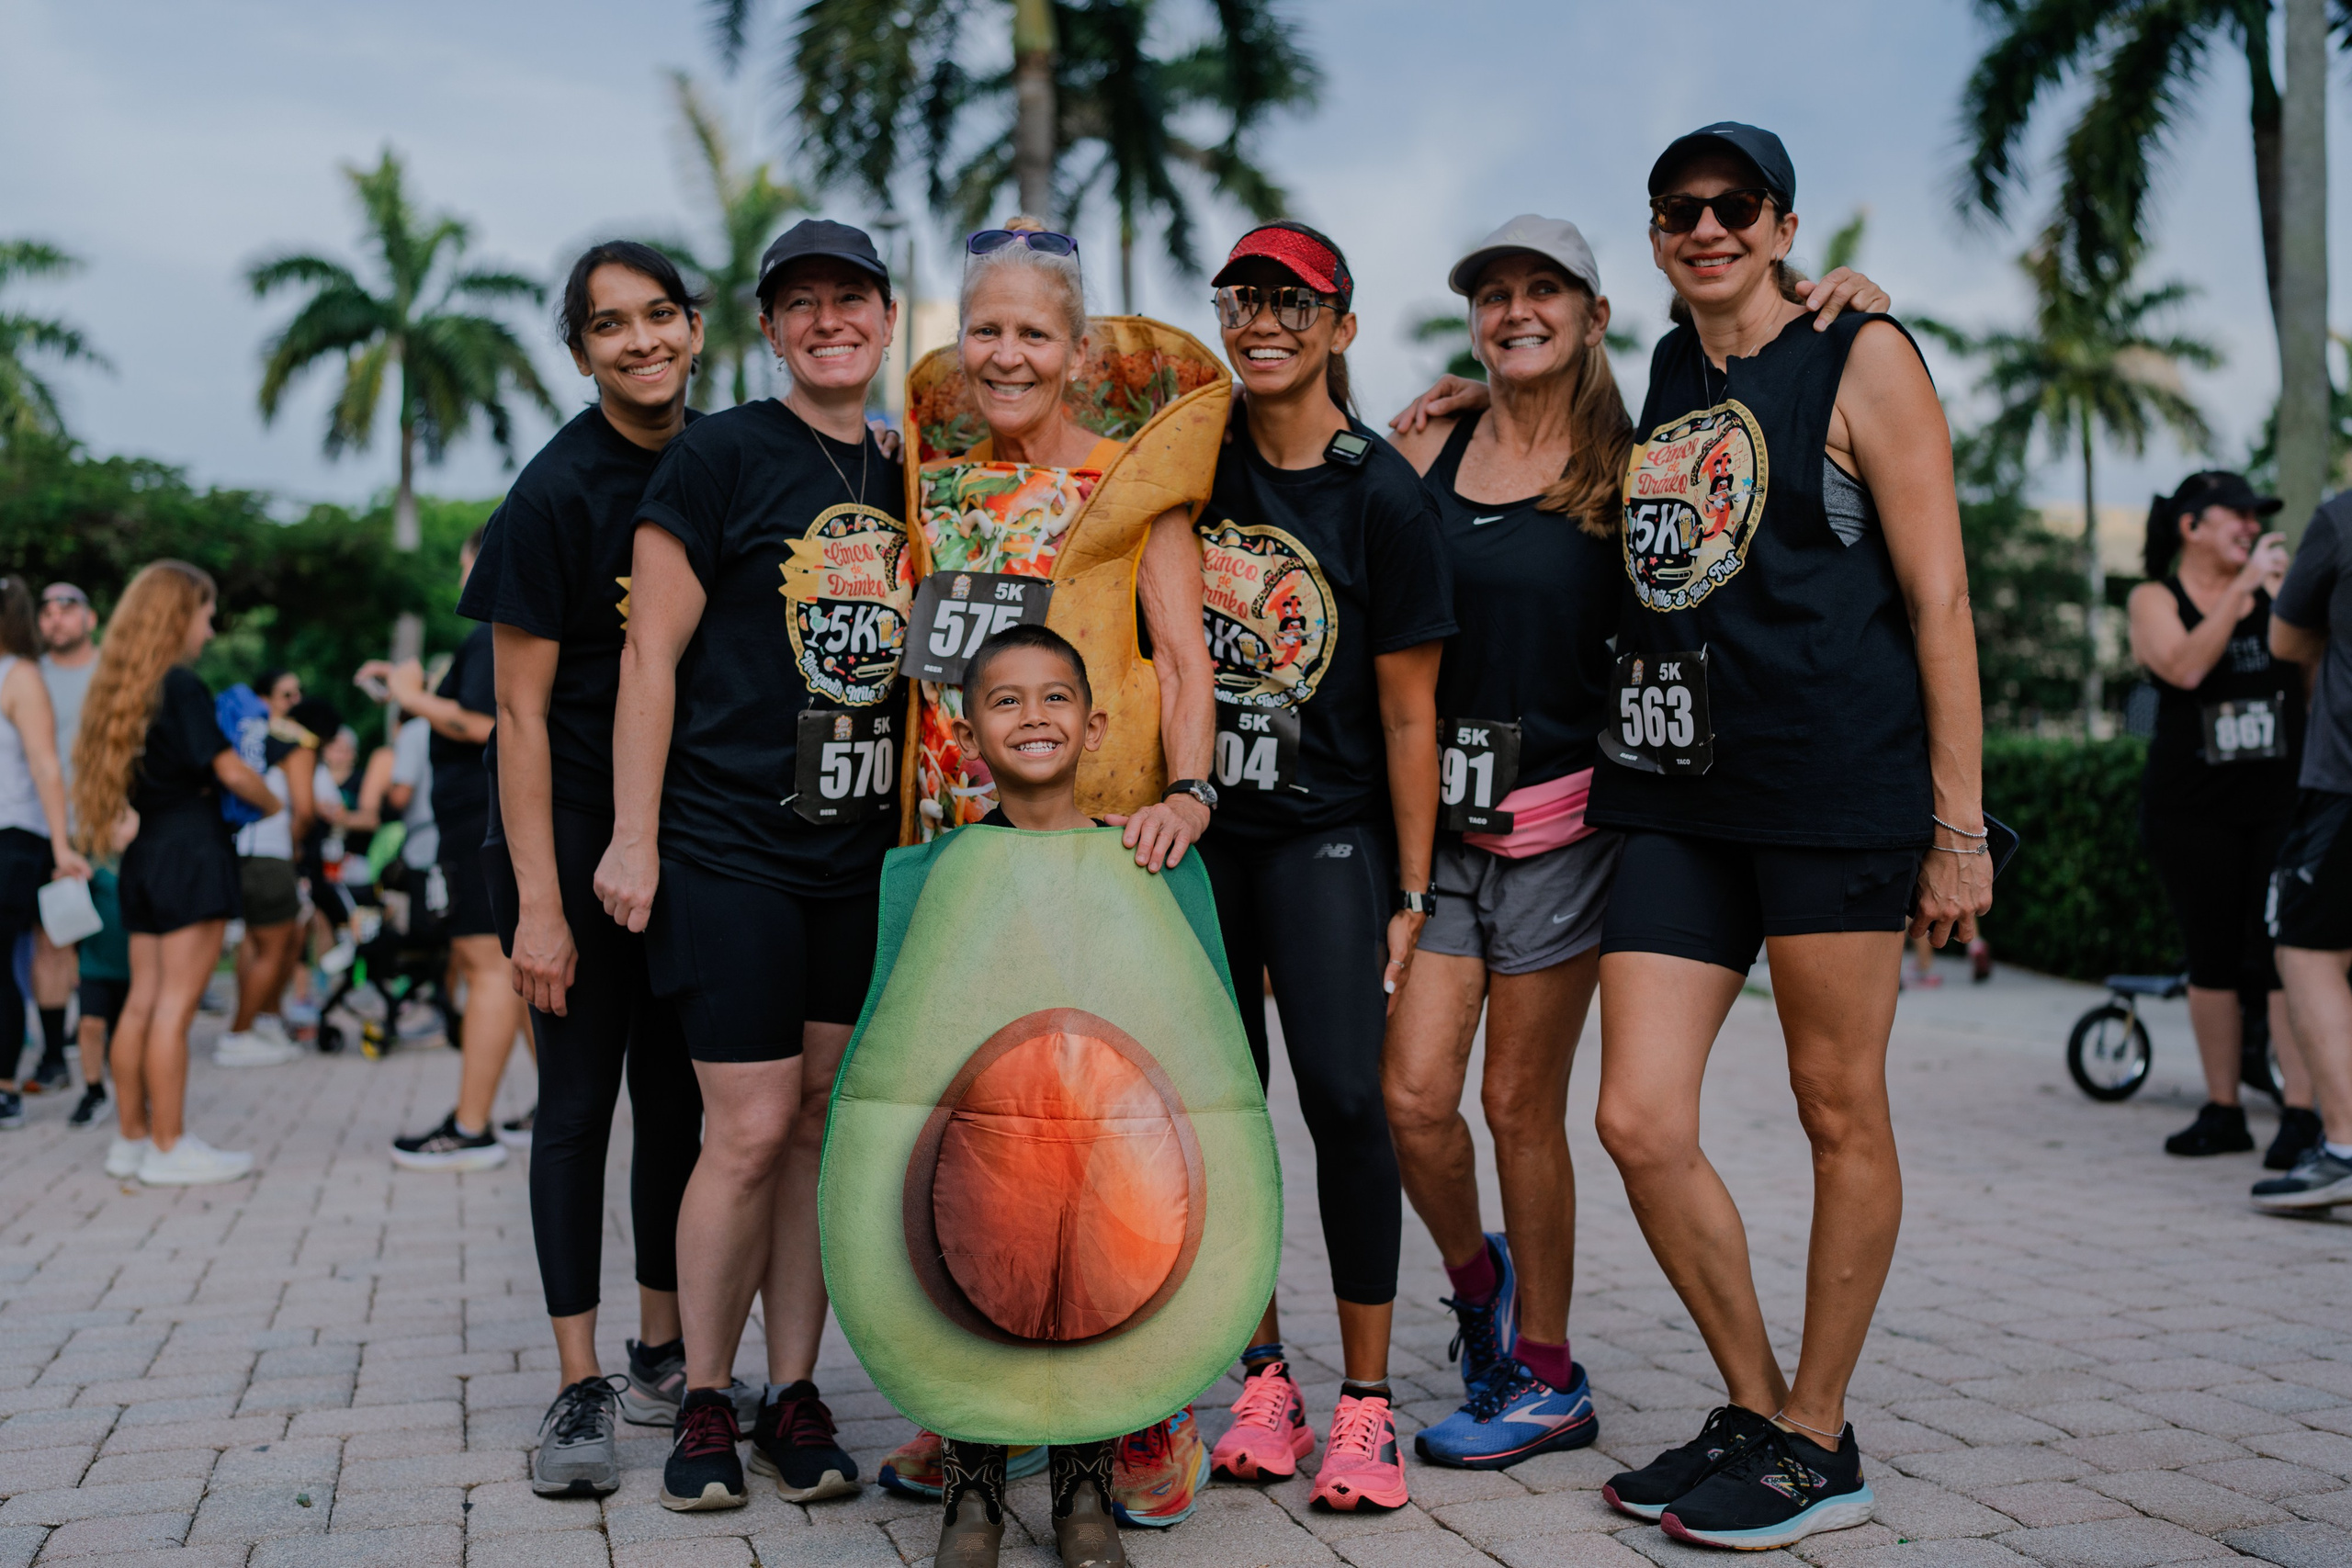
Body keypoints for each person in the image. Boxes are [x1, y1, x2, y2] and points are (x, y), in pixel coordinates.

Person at [1378, 223, 1892, 1472]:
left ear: (1596, 311)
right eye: (1493, 294)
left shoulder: (1638, 454)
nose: (1514, 310)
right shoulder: (1428, 443)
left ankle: (1545, 1371)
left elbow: (1755, 441)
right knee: (1410, 1094)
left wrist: (1849, 304)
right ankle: (1478, 1284)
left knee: (1517, 1101)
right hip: (1440, 821)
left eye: (1541, 288)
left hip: (1575, 818)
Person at [1573, 124, 1986, 1551]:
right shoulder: (1677, 370)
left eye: (1732, 205)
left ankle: (1822, 1431)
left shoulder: (1866, 352)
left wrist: (1960, 825)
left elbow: (1939, 598)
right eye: (1678, 210)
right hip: (1683, 792)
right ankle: (1758, 1410)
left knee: (1834, 1105)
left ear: (1783, 220)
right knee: (1636, 1113)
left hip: (1833, 788)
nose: (1706, 227)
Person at [878, 217, 1221, 1525]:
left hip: (1097, 839)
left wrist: (1189, 793)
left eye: (1034, 331)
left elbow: (1186, 659)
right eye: (986, 328)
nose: (1007, 352)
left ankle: (1144, 1408)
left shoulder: (1137, 486)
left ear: (1079, 354)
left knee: (1110, 1118)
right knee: (970, 1115)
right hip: (960, 845)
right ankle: (974, 1404)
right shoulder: (939, 481)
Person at [596, 219, 905, 1512]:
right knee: (749, 1123)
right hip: (730, 843)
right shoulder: (719, 453)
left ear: (887, 318)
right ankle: (706, 1393)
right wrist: (632, 833)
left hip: (861, 852)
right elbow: (648, 658)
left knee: (823, 1123)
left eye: (851, 297)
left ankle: (795, 1390)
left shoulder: (915, 468)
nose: (829, 319)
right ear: (771, 329)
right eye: (802, 303)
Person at [1179, 221, 1452, 1515]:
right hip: (1197, 831)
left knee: (1345, 1097)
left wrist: (1410, 888)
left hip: (1327, 830)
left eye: (1293, 300)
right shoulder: (1192, 453)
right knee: (1224, 1106)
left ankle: (1367, 1401)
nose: (1262, 320)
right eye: (1244, 297)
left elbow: (1411, 715)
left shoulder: (1380, 491)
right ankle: (1263, 1373)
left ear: (1342, 325)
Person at [459, 240, 711, 1498]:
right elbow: (516, 711)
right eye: (610, 325)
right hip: (565, 833)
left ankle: (663, 1350)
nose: (640, 341)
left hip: (687, 834)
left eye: (658, 315)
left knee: (680, 1103)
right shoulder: (553, 491)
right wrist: (543, 904)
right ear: (580, 352)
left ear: (695, 326)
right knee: (577, 1106)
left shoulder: (726, 461)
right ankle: (577, 1383)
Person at [931, 624, 1131, 1568]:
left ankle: (1082, 1484)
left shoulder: (1134, 864)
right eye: (1005, 701)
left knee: (1089, 1285)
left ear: (1094, 726)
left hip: (1097, 1137)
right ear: (972, 734)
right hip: (987, 1142)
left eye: (1056, 697)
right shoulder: (948, 869)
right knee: (971, 1280)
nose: (1034, 716)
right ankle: (969, 1489)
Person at [2128, 471, 2318, 1166]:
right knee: (2211, 959)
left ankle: (2300, 1114)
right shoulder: (2153, 597)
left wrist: (2278, 600)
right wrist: (2242, 594)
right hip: (2191, 810)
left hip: (2281, 805)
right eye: (2237, 514)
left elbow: (2312, 681)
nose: (2250, 525)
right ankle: (2223, 1110)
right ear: (2191, 525)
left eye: (2255, 516)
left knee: (2283, 958)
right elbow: (2181, 667)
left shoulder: (2280, 594)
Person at [71, 561, 279, 1186]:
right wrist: (273, 802)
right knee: (175, 1009)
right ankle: (170, 1145)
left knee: (140, 1003)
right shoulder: (182, 686)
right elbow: (232, 772)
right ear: (177, 614)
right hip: (191, 850)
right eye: (206, 613)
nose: (210, 629)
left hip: (145, 855)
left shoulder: (121, 689)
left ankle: (132, 1139)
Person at [379, 533, 529, 1170]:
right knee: (510, 975)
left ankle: (471, 1127)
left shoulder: (495, 632)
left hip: (482, 821)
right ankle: (560, 1106)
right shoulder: (496, 634)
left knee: (485, 967)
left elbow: (488, 725)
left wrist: (412, 698)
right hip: (478, 820)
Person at [2253, 487, 2352, 1212]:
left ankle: (2346, 1147)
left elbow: (2287, 640)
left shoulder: (2342, 518)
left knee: (2310, 950)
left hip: (2346, 783)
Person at [0, 578, 91, 1126]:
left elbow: (45, 764)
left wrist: (61, 845)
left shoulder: (21, 675)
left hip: (16, 835)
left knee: (25, 952)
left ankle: (8, 1082)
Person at [217, 669, 318, 1067]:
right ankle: (239, 1034)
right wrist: (293, 843)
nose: (294, 702)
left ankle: (262, 1023)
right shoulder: (295, 742)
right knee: (276, 948)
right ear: (265, 698)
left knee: (255, 946)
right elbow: (305, 809)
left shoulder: (237, 737)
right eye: (285, 694)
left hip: (237, 850)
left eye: (298, 693)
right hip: (271, 853)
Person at [28, 582, 98, 1094]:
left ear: (89, 619)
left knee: (109, 940)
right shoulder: (28, 677)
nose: (55, 619)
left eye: (67, 609)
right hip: (45, 825)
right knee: (51, 937)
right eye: (47, 612)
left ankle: (107, 1043)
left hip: (103, 825)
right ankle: (54, 1053)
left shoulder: (112, 674)